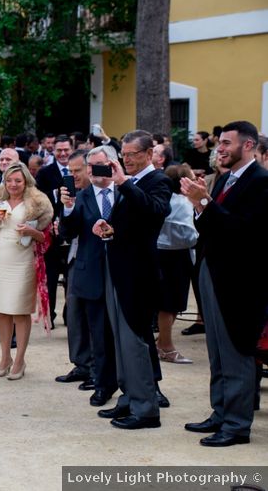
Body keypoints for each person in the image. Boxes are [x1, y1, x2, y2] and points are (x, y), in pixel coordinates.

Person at [181, 120, 268, 447]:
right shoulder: (222, 180)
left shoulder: (261, 183)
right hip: (211, 273)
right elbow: (210, 227)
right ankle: (220, 412)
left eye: (227, 143)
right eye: (219, 143)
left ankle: (236, 425)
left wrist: (204, 202)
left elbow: (242, 233)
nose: (220, 148)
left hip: (241, 282)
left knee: (236, 352)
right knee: (217, 351)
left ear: (248, 145)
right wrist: (200, 203)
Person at [95, 130, 172, 430]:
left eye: (131, 155)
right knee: (122, 339)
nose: (125, 159)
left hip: (139, 274)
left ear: (149, 154)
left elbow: (154, 213)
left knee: (136, 341)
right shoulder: (133, 182)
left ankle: (146, 408)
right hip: (120, 268)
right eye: (123, 154)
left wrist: (125, 183)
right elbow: (132, 225)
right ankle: (130, 396)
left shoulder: (158, 181)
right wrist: (109, 227)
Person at [0, 162, 53, 380]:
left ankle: (20, 358)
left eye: (18, 181)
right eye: (9, 180)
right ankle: (5, 357)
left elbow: (47, 238)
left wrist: (32, 231)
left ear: (26, 181)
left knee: (20, 310)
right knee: (2, 310)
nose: (13, 184)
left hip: (22, 259)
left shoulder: (38, 203)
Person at [58, 146, 120, 407]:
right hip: (91, 272)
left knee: (129, 332)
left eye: (100, 165)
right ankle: (103, 384)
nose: (95, 171)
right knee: (98, 332)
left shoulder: (125, 192)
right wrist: (69, 208)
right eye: (91, 166)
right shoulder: (81, 197)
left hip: (123, 271)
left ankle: (144, 384)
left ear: (112, 164)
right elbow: (67, 232)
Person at [155, 164, 199, 364]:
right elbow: (191, 236)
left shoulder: (164, 200)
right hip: (176, 257)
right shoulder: (183, 204)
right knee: (169, 304)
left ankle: (161, 341)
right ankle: (166, 346)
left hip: (162, 254)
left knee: (171, 303)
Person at [35, 134, 73, 328]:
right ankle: (49, 315)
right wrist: (55, 194)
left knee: (70, 278)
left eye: (66, 149)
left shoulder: (77, 170)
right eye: (59, 150)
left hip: (72, 232)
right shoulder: (45, 173)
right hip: (50, 233)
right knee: (49, 277)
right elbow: (38, 199)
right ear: (53, 151)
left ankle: (70, 314)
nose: (63, 153)